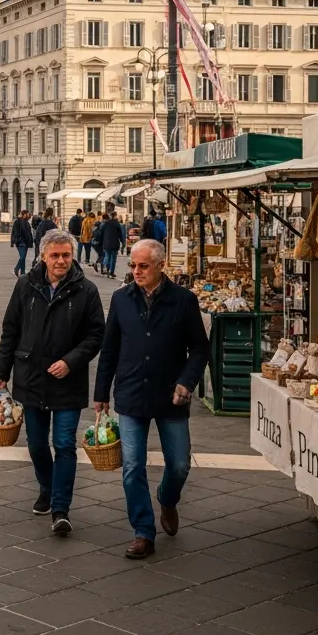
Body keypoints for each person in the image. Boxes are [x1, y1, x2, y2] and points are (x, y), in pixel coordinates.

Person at [94, 239, 210, 559]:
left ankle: (167, 498)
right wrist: (101, 393)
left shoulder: (183, 300)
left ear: (161, 265)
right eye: (133, 265)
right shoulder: (121, 298)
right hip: (131, 393)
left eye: (143, 266)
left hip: (171, 395)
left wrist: (186, 382)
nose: (136, 271)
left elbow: (199, 348)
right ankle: (143, 531)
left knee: (180, 464)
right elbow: (109, 348)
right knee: (132, 466)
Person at [0, 229, 105, 535]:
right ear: (43, 256)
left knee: (65, 445)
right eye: (55, 255)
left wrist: (71, 361)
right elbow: (10, 330)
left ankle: (60, 509)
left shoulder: (86, 290)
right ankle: (47, 485)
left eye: (66, 255)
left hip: (69, 380)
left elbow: (96, 334)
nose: (61, 261)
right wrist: (1, 373)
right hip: (31, 376)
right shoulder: (25, 285)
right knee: (36, 444)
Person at [97, 213, 124, 278]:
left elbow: (100, 234)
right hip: (115, 243)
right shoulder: (117, 224)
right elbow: (120, 234)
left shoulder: (105, 224)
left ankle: (106, 270)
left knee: (107, 256)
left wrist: (100, 242)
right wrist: (122, 241)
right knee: (113, 259)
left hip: (106, 243)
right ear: (115, 216)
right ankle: (111, 272)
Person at [10, 210, 34, 277]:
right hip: (20, 242)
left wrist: (31, 242)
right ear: (24, 214)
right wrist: (12, 241)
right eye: (27, 214)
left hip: (26, 242)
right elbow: (13, 232)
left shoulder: (27, 222)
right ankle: (16, 269)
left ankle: (22, 273)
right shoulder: (17, 222)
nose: (29, 215)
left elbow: (29, 233)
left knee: (23, 258)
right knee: (22, 257)